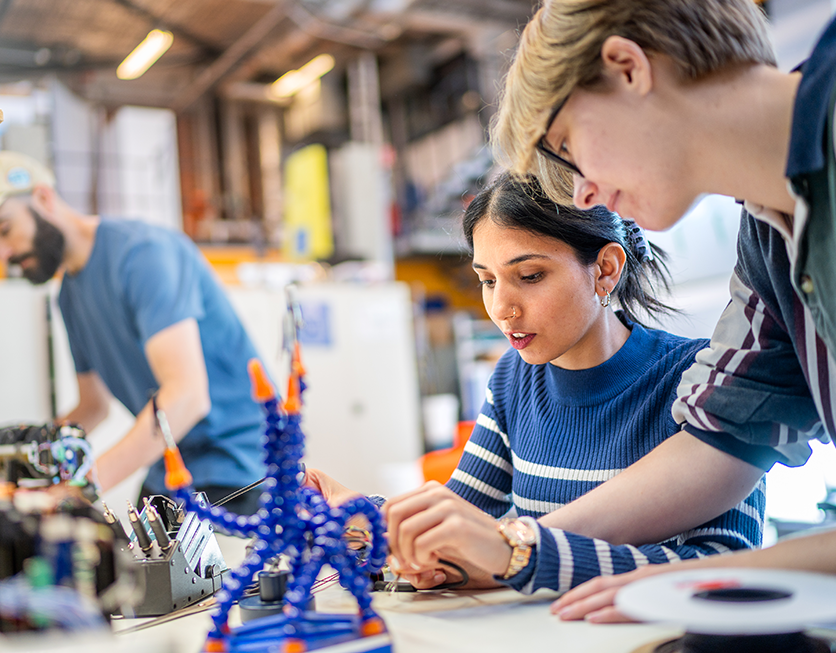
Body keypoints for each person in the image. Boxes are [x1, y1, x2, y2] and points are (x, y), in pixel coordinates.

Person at [488, 0, 836, 621]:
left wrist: (707, 578)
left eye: (568, 145)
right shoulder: (772, 233)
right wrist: (517, 542)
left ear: (627, 68)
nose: (584, 192)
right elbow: (720, 441)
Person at [310, 173, 765, 593]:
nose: (502, 307)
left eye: (529, 276)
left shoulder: (701, 378)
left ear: (605, 269)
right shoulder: (513, 379)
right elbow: (462, 520)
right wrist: (361, 519)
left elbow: (721, 565)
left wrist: (520, 560)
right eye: (487, 281)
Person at [0, 151, 266, 515]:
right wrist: (17, 460)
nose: (2, 254)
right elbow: (93, 407)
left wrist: (80, 487)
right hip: (172, 466)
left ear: (44, 198)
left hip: (239, 469)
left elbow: (187, 396)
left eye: (4, 230)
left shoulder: (142, 256)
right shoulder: (70, 297)